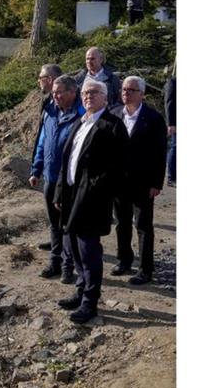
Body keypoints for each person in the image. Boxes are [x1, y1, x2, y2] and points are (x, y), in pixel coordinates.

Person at [53, 79, 128, 323]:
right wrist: (60, 193)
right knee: (73, 247)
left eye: (94, 93)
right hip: (72, 195)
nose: (88, 96)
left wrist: (93, 190)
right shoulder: (80, 122)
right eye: (85, 93)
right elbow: (68, 162)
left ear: (106, 97)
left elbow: (117, 168)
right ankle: (80, 290)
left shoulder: (112, 126)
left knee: (89, 252)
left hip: (92, 199)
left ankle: (90, 303)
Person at [109, 76, 167, 285]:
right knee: (122, 222)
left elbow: (160, 153)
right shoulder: (114, 114)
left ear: (142, 94)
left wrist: (156, 183)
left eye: (132, 90)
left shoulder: (153, 118)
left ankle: (145, 269)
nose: (127, 93)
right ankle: (124, 259)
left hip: (143, 181)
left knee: (143, 225)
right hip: (119, 181)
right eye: (124, 89)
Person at [29, 75, 84, 283]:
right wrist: (36, 170)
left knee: (68, 226)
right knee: (54, 224)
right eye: (54, 93)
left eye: (60, 93)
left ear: (73, 92)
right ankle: (55, 261)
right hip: (50, 178)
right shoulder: (50, 112)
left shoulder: (81, 115)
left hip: (69, 181)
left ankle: (68, 267)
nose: (56, 96)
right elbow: (42, 143)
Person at [31, 64, 63, 251]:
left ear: (50, 80)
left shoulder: (73, 108)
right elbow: (43, 139)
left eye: (41, 77)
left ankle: (65, 256)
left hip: (63, 172)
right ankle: (56, 244)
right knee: (52, 214)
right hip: (49, 169)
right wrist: (36, 167)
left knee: (63, 213)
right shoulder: (47, 103)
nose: (39, 81)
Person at [164, 68, 176, 186]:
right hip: (176, 122)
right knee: (175, 146)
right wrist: (171, 123)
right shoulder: (173, 82)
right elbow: (169, 103)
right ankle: (171, 176)